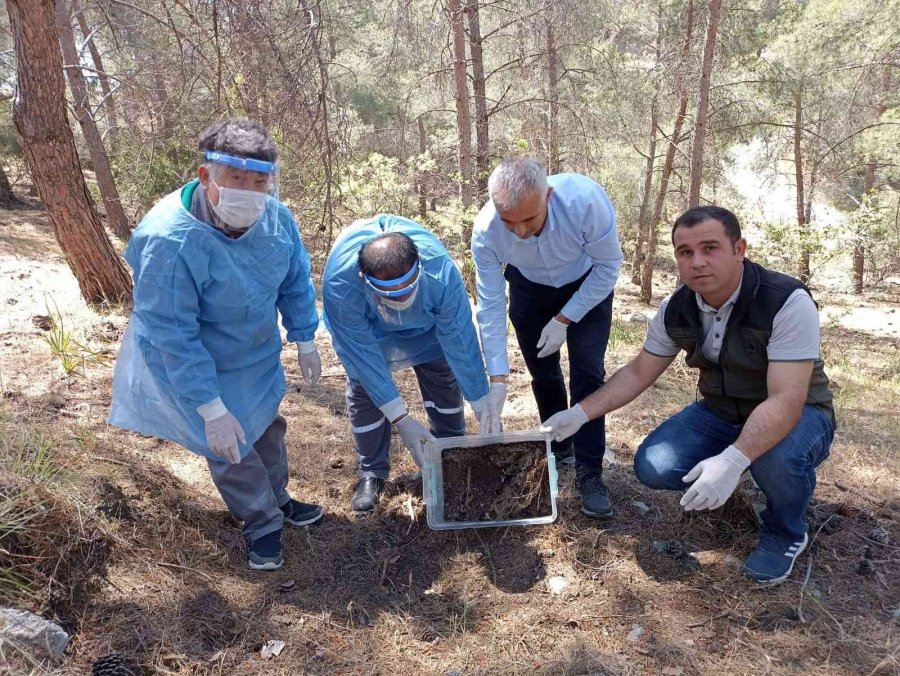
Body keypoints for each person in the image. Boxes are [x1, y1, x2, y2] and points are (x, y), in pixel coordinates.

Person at [541, 205, 835, 585]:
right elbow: (636, 372)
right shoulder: (676, 309)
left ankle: (785, 531)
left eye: (710, 248)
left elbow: (786, 400)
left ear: (739, 248)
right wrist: (579, 413)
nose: (697, 262)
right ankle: (737, 467)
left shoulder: (785, 301)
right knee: (654, 466)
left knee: (775, 461)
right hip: (721, 410)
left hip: (801, 412)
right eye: (685, 252)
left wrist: (732, 460)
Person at [109, 119, 324, 572]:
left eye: (259, 180)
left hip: (254, 350)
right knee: (231, 447)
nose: (249, 190)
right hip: (198, 360)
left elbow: (294, 277)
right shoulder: (167, 240)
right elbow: (173, 333)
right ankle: (260, 522)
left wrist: (305, 336)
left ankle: (278, 498)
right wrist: (210, 408)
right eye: (236, 179)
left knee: (267, 426)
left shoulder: (276, 217)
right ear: (207, 176)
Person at [471, 158, 623, 518]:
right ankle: (560, 446)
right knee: (543, 372)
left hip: (587, 283)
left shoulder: (585, 201)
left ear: (548, 196)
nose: (520, 231)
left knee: (587, 372)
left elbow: (609, 266)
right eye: (510, 222)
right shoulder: (486, 231)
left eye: (529, 219)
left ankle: (590, 470)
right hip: (529, 287)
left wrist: (565, 318)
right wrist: (497, 379)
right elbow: (490, 305)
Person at [322, 214, 499, 512]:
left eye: (407, 288)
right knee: (365, 389)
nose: (401, 297)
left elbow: (459, 340)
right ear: (365, 278)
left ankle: (449, 451)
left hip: (428, 328)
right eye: (391, 292)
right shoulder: (341, 284)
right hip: (370, 330)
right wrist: (401, 420)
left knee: (442, 375)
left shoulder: (440, 271)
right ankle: (372, 471)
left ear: (419, 266)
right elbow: (364, 358)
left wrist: (483, 405)